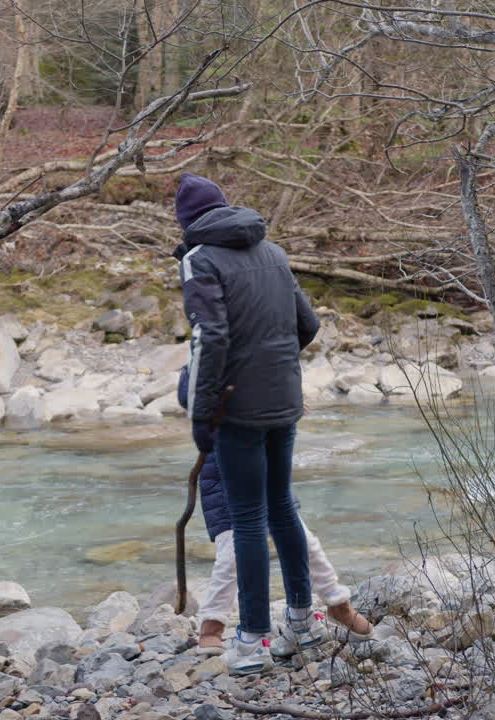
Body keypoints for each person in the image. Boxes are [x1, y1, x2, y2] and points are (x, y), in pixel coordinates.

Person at [172, 171, 321, 675]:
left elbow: (209, 339)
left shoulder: (199, 259)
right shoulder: (273, 252)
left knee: (249, 518)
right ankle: (301, 622)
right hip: (284, 398)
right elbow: (307, 325)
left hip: (236, 408)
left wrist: (201, 413)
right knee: (281, 506)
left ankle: (252, 639)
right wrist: (272, 365)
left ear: (187, 222)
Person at [176, 366, 374, 660]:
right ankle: (212, 626)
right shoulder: (208, 350)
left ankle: (337, 602)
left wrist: (287, 402)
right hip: (225, 469)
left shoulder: (267, 349)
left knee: (303, 541)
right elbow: (188, 393)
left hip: (268, 460)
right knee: (232, 553)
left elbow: (286, 365)